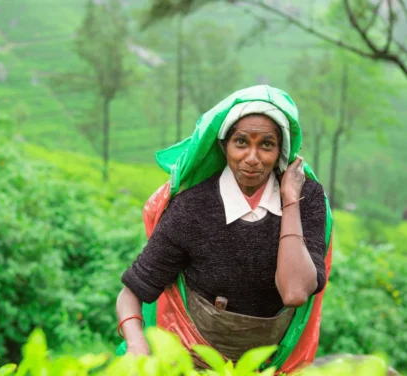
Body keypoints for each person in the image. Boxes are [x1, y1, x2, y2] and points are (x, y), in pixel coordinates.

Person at [115, 91, 329, 369]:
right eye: (241, 142)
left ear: (282, 152)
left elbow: (295, 292)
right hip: (196, 364)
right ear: (224, 145)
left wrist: (289, 200)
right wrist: (136, 343)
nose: (252, 158)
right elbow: (131, 293)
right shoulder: (192, 209)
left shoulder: (305, 197)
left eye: (266, 145)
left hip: (271, 366)